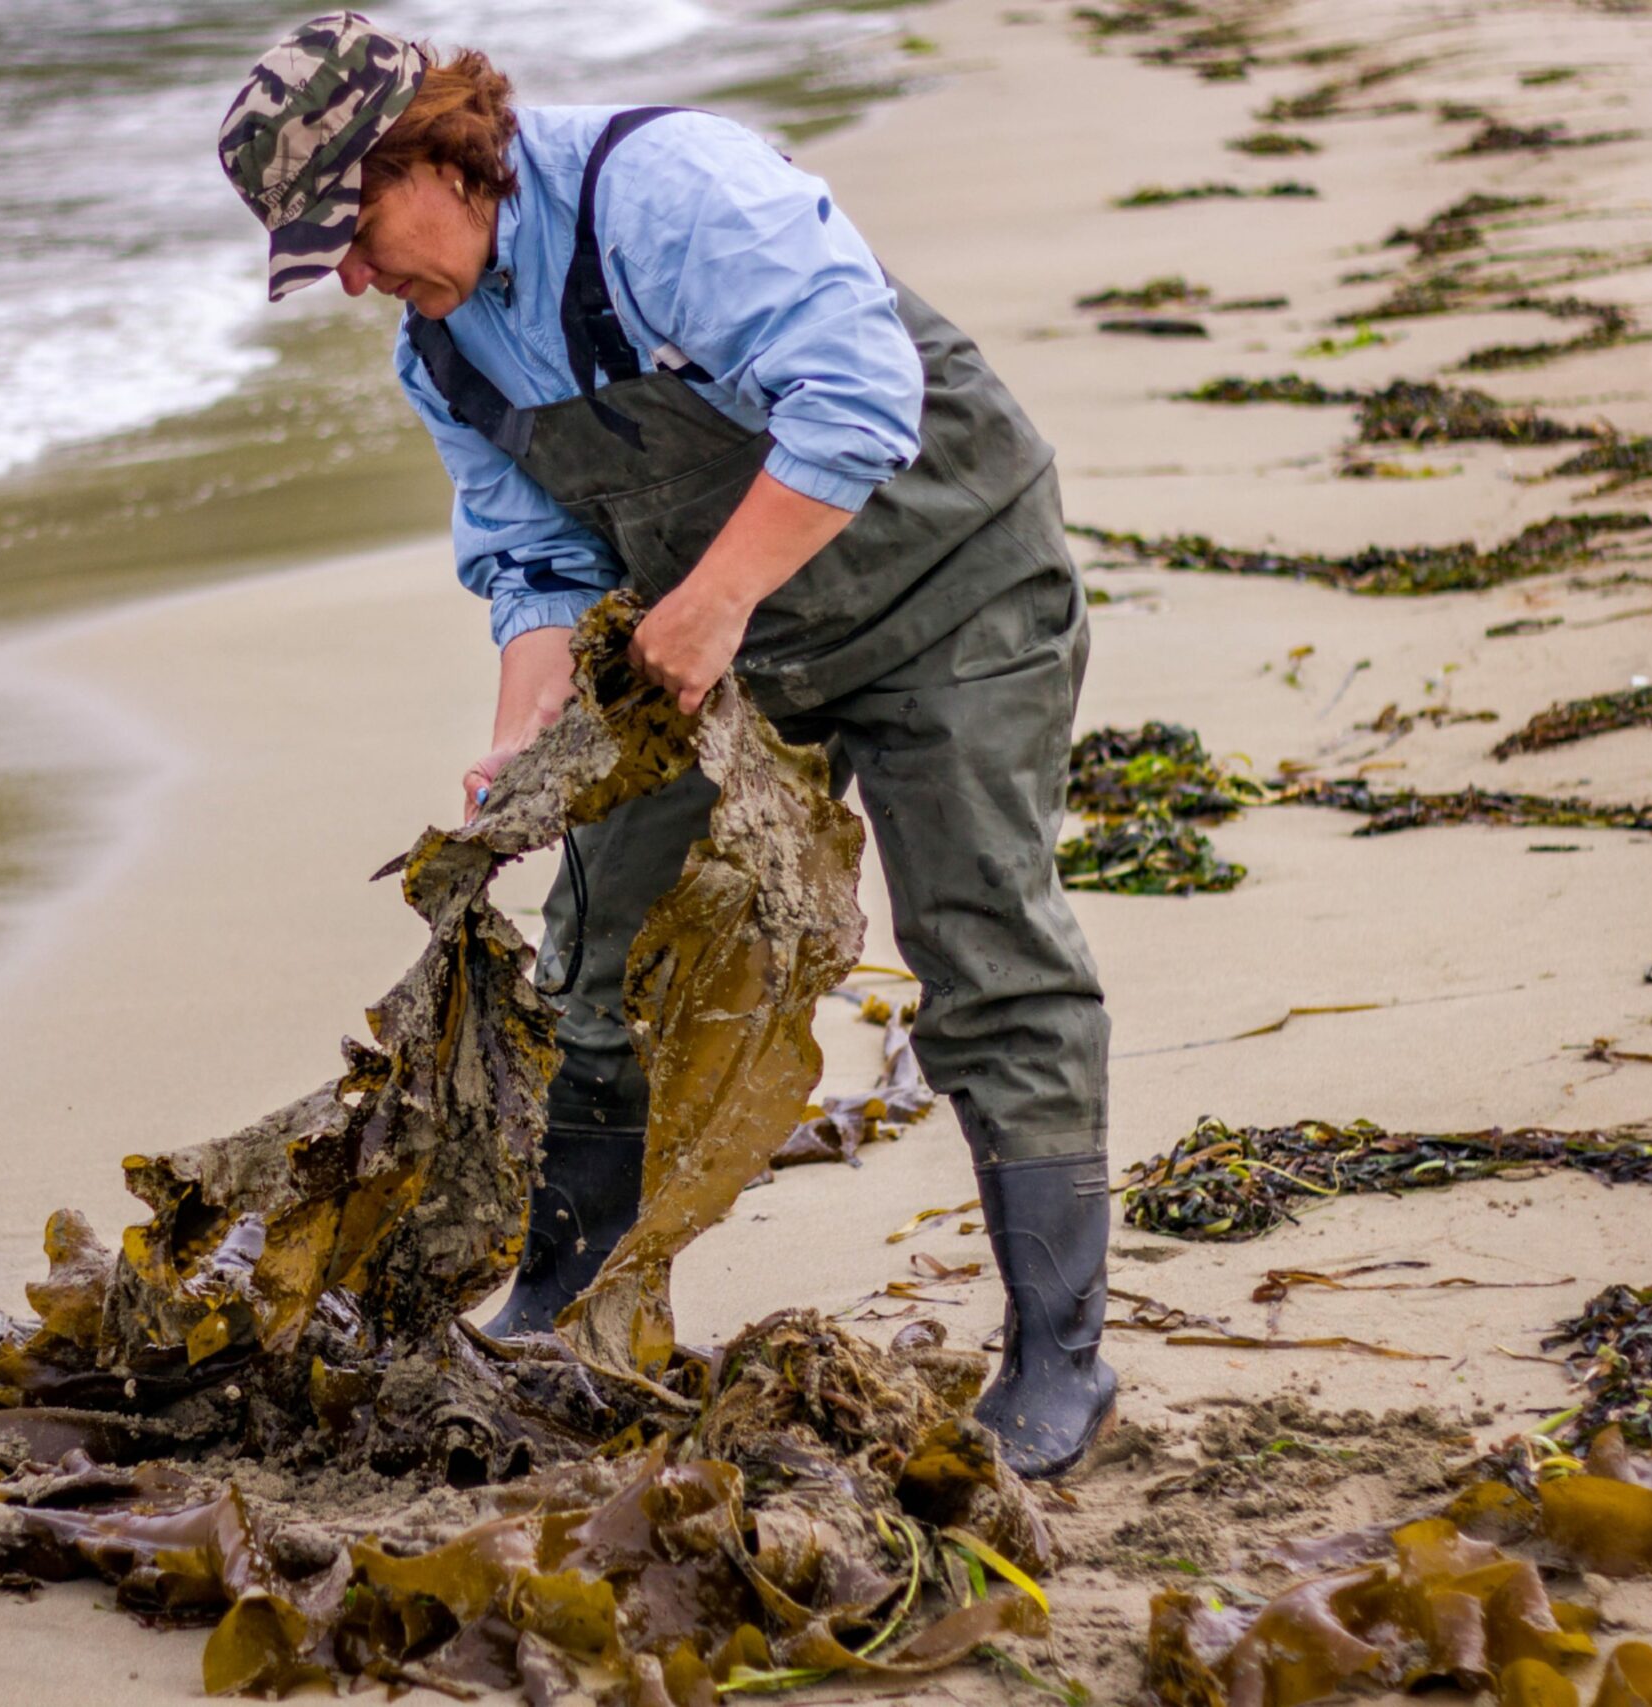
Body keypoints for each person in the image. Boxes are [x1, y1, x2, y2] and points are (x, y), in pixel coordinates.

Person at [218, 12, 1115, 1476]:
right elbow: (537, 562)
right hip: (719, 633)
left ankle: (1061, 1361)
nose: (360, 277)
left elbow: (860, 394)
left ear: (440, 148)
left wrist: (709, 607)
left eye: (358, 230)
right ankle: (567, 1305)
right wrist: (523, 739)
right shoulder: (441, 353)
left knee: (983, 946)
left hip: (951, 585)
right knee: (602, 953)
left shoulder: (671, 194)